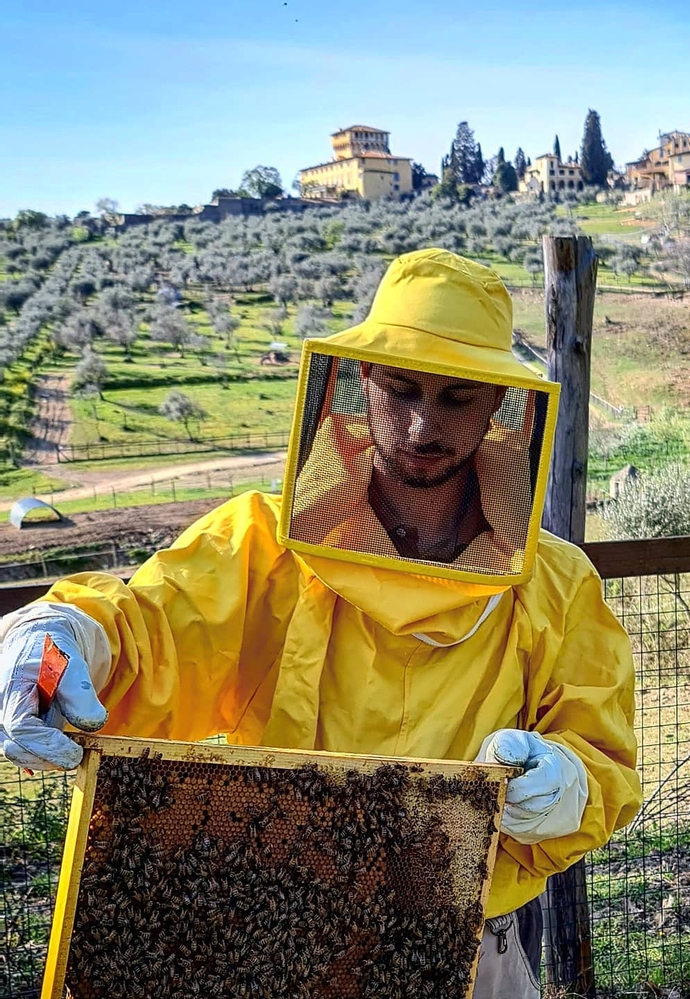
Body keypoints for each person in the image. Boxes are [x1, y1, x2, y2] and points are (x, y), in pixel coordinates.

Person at [0, 248, 641, 998]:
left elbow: (602, 756)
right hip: (275, 935)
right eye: (401, 388)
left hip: (473, 946)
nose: (421, 424)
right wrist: (58, 636)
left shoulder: (557, 582)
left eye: (457, 396)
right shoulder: (259, 543)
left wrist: (562, 783)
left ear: (499, 401)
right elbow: (146, 630)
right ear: (360, 378)